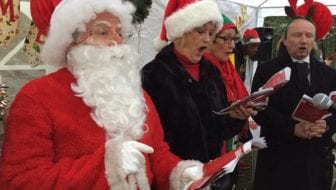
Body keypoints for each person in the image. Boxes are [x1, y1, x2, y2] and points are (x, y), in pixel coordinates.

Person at [0, 0, 209, 189]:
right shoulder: (36, 97)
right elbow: (19, 181)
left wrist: (179, 173)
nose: (117, 41)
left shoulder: (138, 95)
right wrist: (108, 165)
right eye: (103, 32)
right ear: (72, 41)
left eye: (120, 32)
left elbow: (156, 154)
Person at [142, 0, 254, 189]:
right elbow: (151, 141)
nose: (207, 39)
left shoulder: (211, 72)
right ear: (180, 32)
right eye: (200, 31)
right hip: (175, 180)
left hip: (211, 176)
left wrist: (235, 117)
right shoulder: (154, 75)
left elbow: (220, 128)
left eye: (211, 33)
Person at [251, 2, 336, 189]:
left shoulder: (328, 74)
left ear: (314, 41)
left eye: (308, 36)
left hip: (316, 164)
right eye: (297, 35)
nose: (303, 40)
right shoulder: (268, 69)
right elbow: (258, 109)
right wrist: (292, 128)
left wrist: (327, 125)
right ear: (285, 39)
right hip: (278, 162)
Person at [204, 14, 257, 187]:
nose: (233, 45)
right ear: (209, 38)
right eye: (226, 39)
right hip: (209, 150)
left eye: (234, 39)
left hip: (229, 139)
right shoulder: (202, 70)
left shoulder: (227, 67)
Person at [234, 28, 261, 94]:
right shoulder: (233, 55)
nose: (256, 49)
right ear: (244, 44)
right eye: (253, 46)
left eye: (257, 46)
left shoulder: (244, 56)